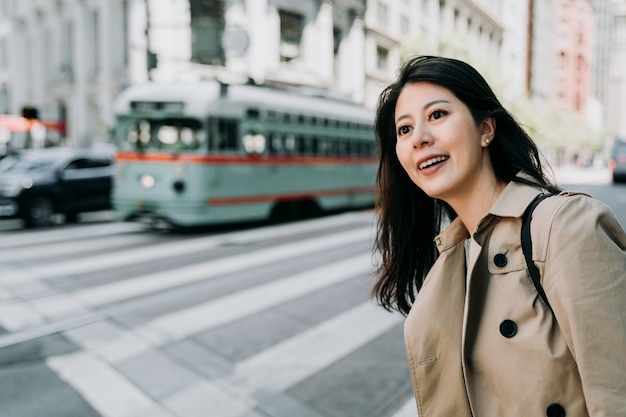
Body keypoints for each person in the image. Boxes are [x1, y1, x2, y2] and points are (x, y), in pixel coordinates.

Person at [371, 55, 626, 416]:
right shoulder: (450, 261)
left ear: (486, 129)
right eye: (404, 129)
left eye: (437, 115)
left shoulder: (564, 226)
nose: (420, 139)